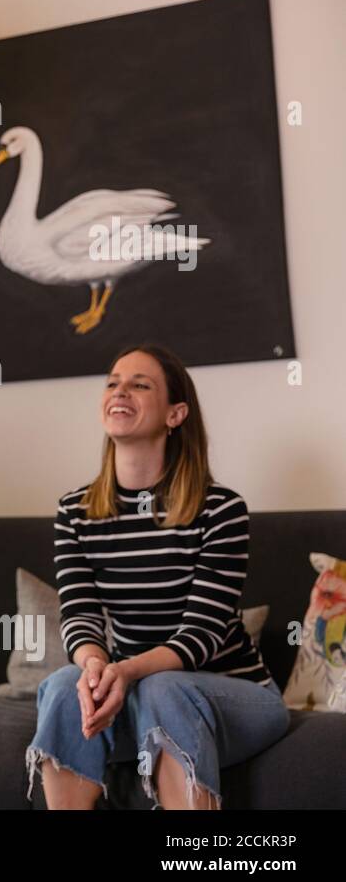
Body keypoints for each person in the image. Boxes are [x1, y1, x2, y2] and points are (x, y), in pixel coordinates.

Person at [26, 344, 289, 810]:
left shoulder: (220, 510)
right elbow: (81, 614)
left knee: (164, 689)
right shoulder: (75, 512)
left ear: (175, 413)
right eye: (112, 382)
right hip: (131, 698)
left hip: (235, 696)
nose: (119, 390)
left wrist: (125, 672)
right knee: (67, 686)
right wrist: (94, 669)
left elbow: (201, 634)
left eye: (139, 384)